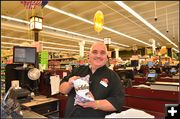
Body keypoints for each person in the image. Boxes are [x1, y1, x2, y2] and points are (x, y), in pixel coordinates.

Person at [59, 42, 124, 118]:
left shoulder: (113, 76)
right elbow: (61, 89)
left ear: (106, 57)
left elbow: (117, 103)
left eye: (102, 53)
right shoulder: (78, 70)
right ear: (89, 55)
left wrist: (94, 104)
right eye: (94, 52)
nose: (98, 55)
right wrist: (69, 84)